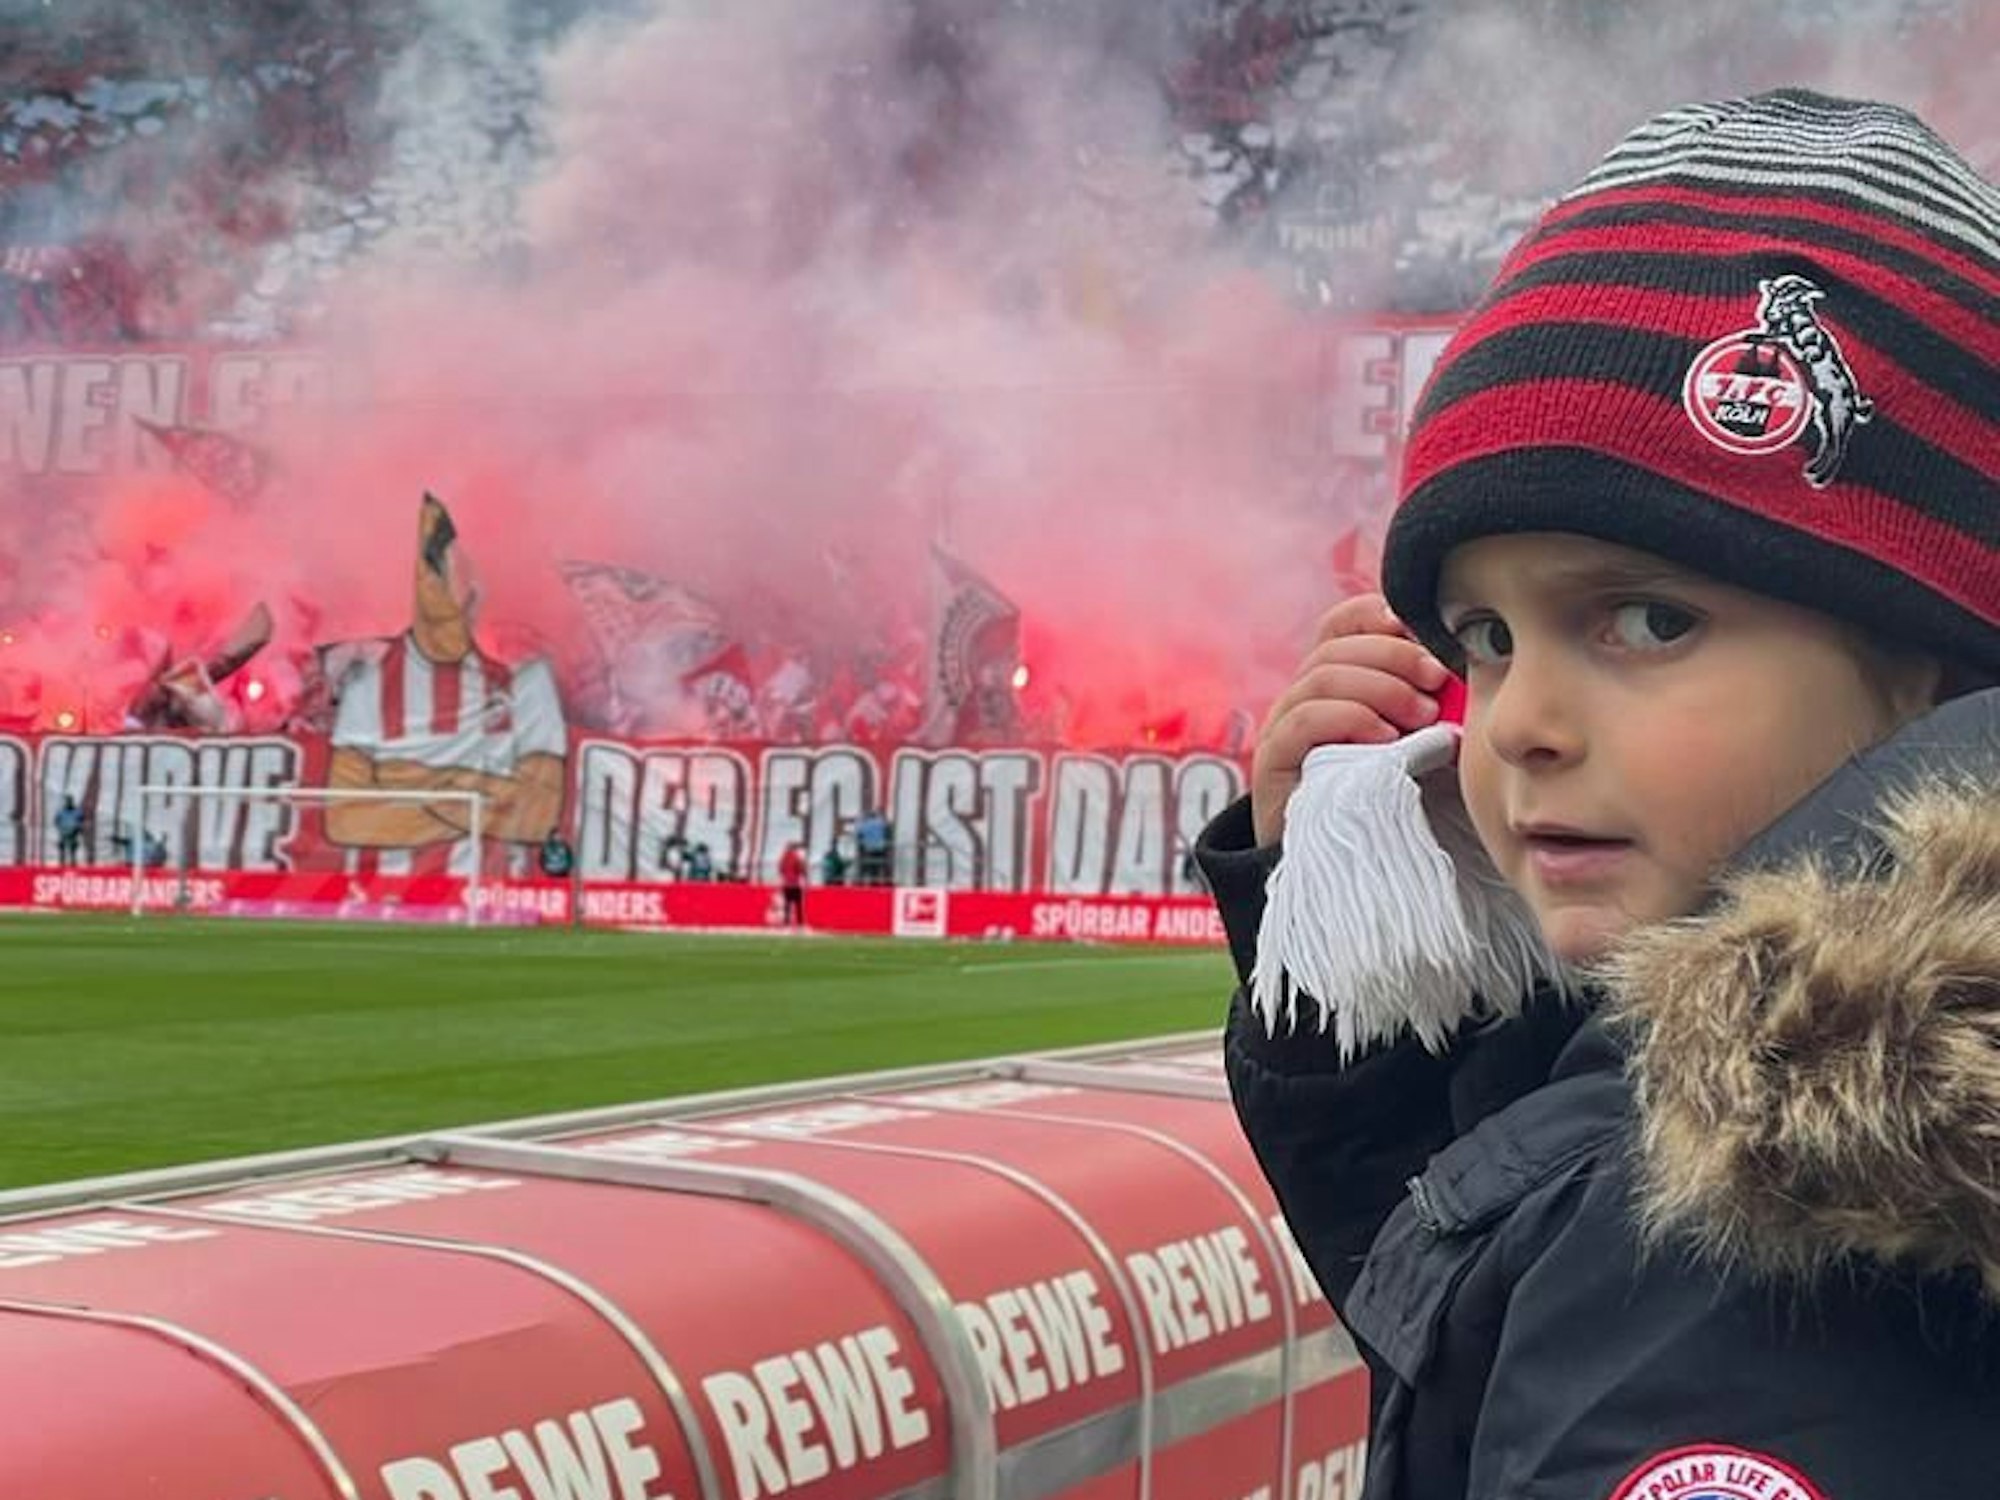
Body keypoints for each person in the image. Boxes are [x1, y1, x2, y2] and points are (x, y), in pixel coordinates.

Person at [1198, 90, 2000, 1498]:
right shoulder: (1803, 1138)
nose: (1520, 727)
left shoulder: (1778, 1224)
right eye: (1486, 640)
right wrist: (1336, 958)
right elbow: (1515, 1355)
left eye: (1646, 622)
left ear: (1932, 663)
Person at [854, 808, 892, 885]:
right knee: (877, 869)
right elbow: (888, 831)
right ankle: (876, 884)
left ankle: (864, 885)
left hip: (868, 850)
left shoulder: (864, 824)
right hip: (880, 849)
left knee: (867, 868)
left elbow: (858, 834)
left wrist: (859, 820)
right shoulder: (881, 823)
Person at [777, 841, 807, 927]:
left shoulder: (783, 857)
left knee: (787, 904)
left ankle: (786, 922)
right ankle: (800, 923)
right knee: (798, 904)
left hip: (786, 883)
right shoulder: (796, 857)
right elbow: (800, 869)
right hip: (795, 884)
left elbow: (780, 869)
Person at [53, 796, 84, 864]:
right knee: (62, 848)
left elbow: (81, 821)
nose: (68, 803)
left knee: (72, 850)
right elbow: (56, 821)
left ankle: (73, 863)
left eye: (70, 801)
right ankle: (62, 863)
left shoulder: (77, 811)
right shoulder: (61, 811)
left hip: (73, 832)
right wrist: (60, 828)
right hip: (64, 832)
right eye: (67, 801)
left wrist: (78, 829)